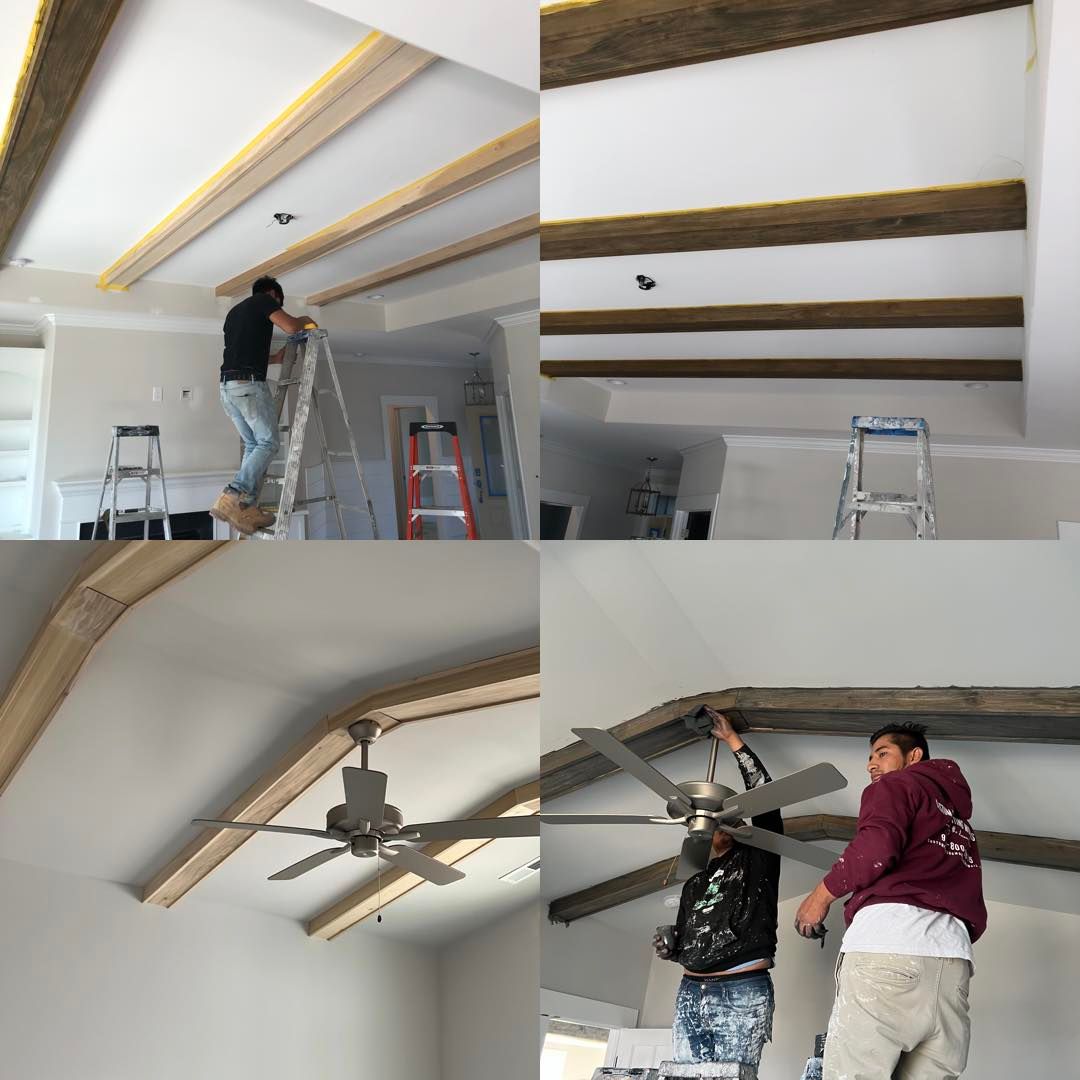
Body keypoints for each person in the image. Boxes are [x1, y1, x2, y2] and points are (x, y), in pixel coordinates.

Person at [794, 722, 986, 1080]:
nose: (871, 764)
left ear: (913, 757)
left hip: (888, 949)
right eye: (869, 757)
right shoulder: (959, 823)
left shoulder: (897, 784)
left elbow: (876, 847)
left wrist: (819, 896)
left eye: (882, 754)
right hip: (953, 968)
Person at [652, 706, 782, 1076]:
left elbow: (768, 800)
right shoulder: (696, 874)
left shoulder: (759, 858)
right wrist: (672, 943)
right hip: (690, 991)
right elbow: (689, 937)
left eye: (726, 815)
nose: (717, 822)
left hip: (741, 988)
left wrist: (732, 741)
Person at [210, 276, 316, 534]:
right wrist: (304, 320)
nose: (277, 308)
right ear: (272, 294)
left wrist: (274, 358)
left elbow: (241, 351)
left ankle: (245, 508)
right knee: (269, 443)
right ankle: (232, 495)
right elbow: (291, 327)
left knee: (254, 445)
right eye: (278, 303)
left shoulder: (234, 313)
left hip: (228, 388)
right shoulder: (261, 300)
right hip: (247, 386)